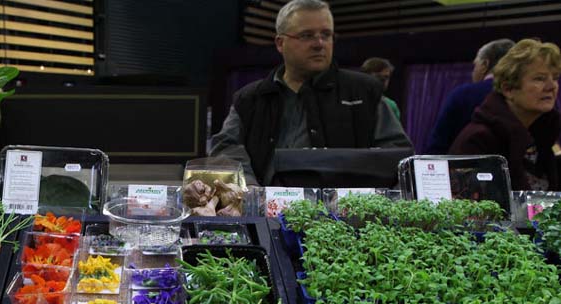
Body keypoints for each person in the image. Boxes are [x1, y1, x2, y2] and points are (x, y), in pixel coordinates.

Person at [209, 0, 411, 186]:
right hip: (266, 215)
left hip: (345, 218)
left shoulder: (365, 92)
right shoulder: (250, 98)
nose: (319, 43)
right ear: (280, 43)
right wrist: (250, 189)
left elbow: (398, 156)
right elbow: (225, 149)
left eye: (326, 34)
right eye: (307, 35)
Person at [450, 39, 560, 191]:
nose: (551, 86)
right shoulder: (478, 140)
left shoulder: (544, 136)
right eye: (539, 78)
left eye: (554, 78)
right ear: (508, 89)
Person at [424, 39, 515, 154]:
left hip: (463, 168)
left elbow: (437, 146)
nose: (473, 71)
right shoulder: (522, 97)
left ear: (484, 65)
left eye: (475, 64)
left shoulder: (462, 95)